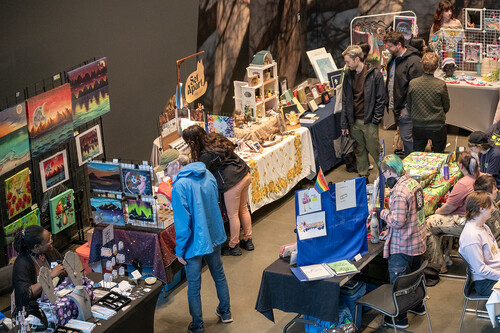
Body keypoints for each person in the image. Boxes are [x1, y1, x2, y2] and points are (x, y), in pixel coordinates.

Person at [168, 154, 232, 333]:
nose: (166, 174)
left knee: (194, 285)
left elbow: (182, 225)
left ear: (176, 164)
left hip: (193, 244)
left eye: (166, 169)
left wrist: (179, 250)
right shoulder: (207, 174)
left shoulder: (180, 186)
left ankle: (197, 325)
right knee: (219, 274)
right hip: (213, 235)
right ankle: (226, 312)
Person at [182, 125, 253, 256]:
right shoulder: (216, 138)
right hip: (244, 172)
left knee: (232, 215)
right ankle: (248, 240)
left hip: (232, 181)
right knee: (243, 209)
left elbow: (201, 172)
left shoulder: (205, 154)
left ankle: (234, 246)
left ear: (192, 141)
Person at [379, 154, 426, 329]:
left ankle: (399, 319)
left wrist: (381, 212)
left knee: (400, 285)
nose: (383, 176)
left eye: (384, 172)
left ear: (390, 171)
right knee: (414, 279)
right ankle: (417, 306)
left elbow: (398, 222)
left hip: (403, 246)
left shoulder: (399, 192)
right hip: (418, 242)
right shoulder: (414, 183)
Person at [426, 152, 479, 272]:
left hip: (466, 221)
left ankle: (437, 266)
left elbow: (448, 208)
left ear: (460, 166)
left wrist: (436, 212)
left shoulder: (463, 184)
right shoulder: (480, 176)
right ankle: (446, 253)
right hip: (476, 217)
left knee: (428, 223)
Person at [341, 45, 385, 180]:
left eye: (348, 62)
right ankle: (362, 177)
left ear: (357, 59)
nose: (346, 65)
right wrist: (345, 123)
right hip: (354, 121)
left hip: (369, 120)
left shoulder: (374, 74)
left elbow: (381, 98)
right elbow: (344, 100)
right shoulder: (348, 75)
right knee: (359, 151)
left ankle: (386, 175)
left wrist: (375, 119)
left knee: (375, 150)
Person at [384, 31, 423, 156]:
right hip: (398, 107)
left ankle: (414, 164)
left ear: (399, 44)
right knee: (406, 138)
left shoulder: (414, 61)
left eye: (390, 46)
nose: (387, 49)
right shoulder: (394, 59)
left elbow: (417, 89)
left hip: (407, 109)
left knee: (408, 139)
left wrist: (407, 108)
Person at [12, 225, 66, 316]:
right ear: (37, 246)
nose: (51, 241)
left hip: (56, 301)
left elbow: (63, 264)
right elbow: (26, 294)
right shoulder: (22, 264)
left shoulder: (49, 250)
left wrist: (64, 270)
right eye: (48, 241)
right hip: (36, 312)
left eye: (50, 237)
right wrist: (50, 276)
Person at [407, 52, 450, 153]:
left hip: (418, 125)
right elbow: (446, 106)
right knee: (439, 154)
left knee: (417, 154)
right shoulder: (441, 84)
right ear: (436, 66)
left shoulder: (413, 83)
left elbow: (409, 104)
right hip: (437, 125)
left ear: (422, 65)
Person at [459, 191, 499, 296]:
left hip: (493, 273)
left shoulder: (484, 227)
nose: (493, 208)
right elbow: (480, 269)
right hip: (485, 282)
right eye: (490, 205)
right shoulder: (471, 236)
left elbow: (494, 252)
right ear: (481, 208)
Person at [474, 174, 500, 243]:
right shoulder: (484, 214)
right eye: (495, 189)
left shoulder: (492, 202)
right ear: (488, 194)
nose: (497, 190)